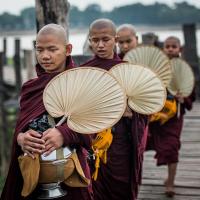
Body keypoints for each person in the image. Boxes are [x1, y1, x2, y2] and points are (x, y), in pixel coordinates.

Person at [0, 24, 93, 200]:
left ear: (67, 49)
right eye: (39, 50)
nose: (45, 56)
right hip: (32, 170)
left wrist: (64, 133)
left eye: (52, 49)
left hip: (69, 169)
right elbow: (22, 125)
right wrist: (21, 138)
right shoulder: (30, 88)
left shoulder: (80, 84)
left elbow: (93, 129)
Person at [81, 18, 148, 200]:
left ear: (115, 40)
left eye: (106, 39)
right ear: (90, 41)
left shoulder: (128, 71)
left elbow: (144, 108)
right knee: (94, 190)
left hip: (120, 142)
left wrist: (131, 112)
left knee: (121, 187)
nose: (100, 45)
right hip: (92, 140)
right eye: (95, 40)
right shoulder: (84, 71)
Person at [147, 36, 196, 197]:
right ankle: (134, 177)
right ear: (163, 49)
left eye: (173, 46)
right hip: (155, 115)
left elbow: (191, 96)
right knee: (141, 144)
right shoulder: (156, 67)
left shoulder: (184, 70)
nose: (170, 49)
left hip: (174, 118)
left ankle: (170, 182)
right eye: (167, 46)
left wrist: (184, 98)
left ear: (180, 49)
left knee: (172, 146)